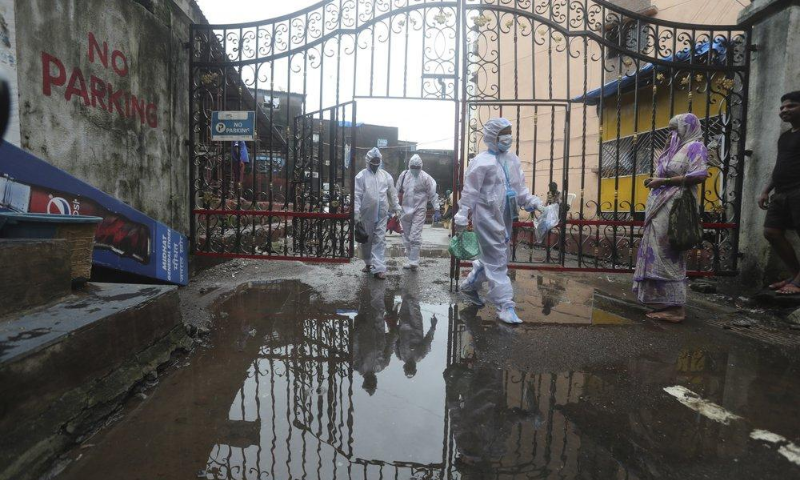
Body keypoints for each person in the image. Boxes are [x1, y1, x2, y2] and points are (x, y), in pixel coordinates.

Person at [454, 118, 544, 324]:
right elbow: (470, 192)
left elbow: (520, 190)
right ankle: (505, 305)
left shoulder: (513, 160)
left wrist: (533, 203)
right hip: (486, 216)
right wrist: (462, 213)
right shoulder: (481, 162)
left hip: (505, 216)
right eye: (504, 134)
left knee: (496, 256)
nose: (508, 138)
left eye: (510, 133)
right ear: (493, 137)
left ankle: (470, 285)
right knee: (497, 260)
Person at [633, 113, 709, 323]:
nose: (672, 133)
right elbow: (665, 174)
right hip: (660, 208)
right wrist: (657, 180)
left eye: (676, 129)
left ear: (688, 128)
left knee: (669, 254)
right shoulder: (674, 149)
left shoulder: (696, 147)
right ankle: (661, 301)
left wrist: (664, 181)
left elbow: (700, 175)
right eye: (670, 130)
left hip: (675, 208)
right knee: (656, 254)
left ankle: (676, 308)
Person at [759, 91, 800, 295]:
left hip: (798, 191)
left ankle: (799, 281)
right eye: (782, 107)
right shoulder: (785, 137)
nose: (784, 110)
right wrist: (766, 191)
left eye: (791, 106)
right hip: (781, 193)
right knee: (771, 232)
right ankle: (795, 275)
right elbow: (780, 165)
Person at [354, 147, 402, 280]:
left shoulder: (386, 176)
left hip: (382, 215)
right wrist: (356, 213)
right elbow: (357, 195)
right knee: (366, 241)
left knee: (379, 240)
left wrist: (396, 207)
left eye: (377, 161)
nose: (375, 163)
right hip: (366, 215)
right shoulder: (361, 176)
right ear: (368, 161)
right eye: (373, 161)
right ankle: (368, 263)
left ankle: (379, 268)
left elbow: (392, 193)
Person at [397, 154, 440, 270]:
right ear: (409, 166)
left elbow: (433, 194)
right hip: (404, 209)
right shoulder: (404, 175)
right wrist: (394, 208)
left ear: (421, 167)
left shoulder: (426, 178)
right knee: (406, 236)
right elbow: (396, 191)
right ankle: (411, 259)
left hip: (419, 209)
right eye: (413, 167)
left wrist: (437, 209)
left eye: (417, 167)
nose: (415, 169)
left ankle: (414, 261)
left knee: (415, 235)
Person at [394, 274, 437, 378]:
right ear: (414, 368)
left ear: (404, 367)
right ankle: (413, 276)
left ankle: (406, 276)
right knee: (413, 301)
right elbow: (427, 341)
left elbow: (395, 340)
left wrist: (394, 326)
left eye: (407, 368)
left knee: (405, 300)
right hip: (415, 324)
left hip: (403, 324)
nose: (408, 367)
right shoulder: (420, 356)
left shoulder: (400, 356)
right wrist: (433, 327)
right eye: (411, 368)